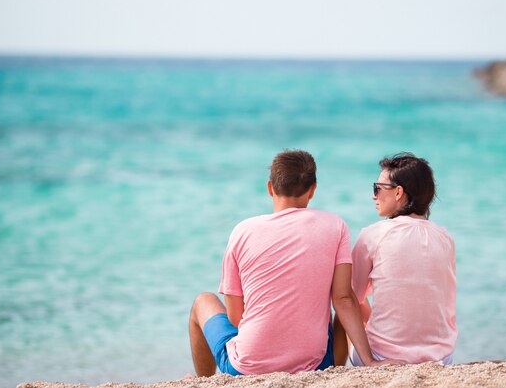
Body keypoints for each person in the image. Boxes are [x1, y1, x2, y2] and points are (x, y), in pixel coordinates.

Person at [188, 149, 384, 376]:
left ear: (270, 188)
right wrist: (368, 360)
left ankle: (205, 380)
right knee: (341, 301)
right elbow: (343, 299)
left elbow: (235, 318)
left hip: (247, 368)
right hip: (317, 365)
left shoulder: (243, 231)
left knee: (203, 301)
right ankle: (334, 370)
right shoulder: (335, 225)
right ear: (312, 191)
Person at [334, 152, 457, 366]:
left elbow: (350, 298)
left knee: (343, 303)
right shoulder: (445, 238)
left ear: (398, 192)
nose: (374, 196)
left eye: (378, 188)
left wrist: (371, 357)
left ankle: (337, 369)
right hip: (442, 358)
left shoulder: (373, 235)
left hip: (384, 357)